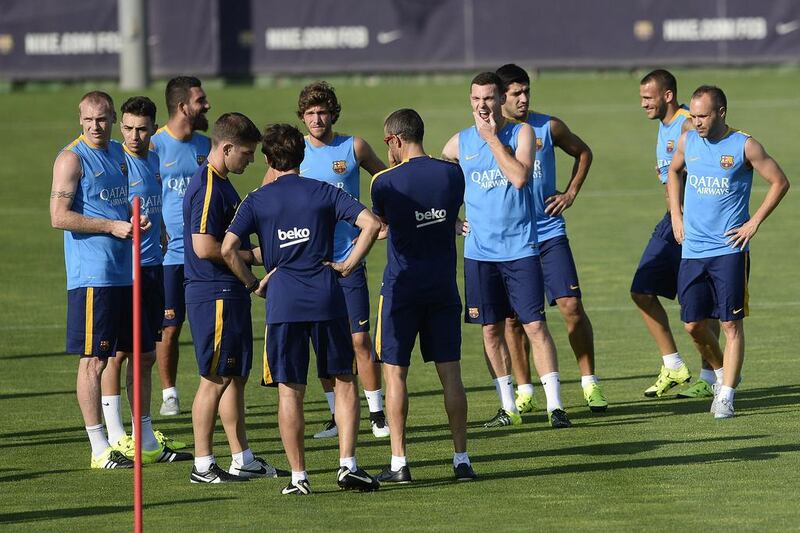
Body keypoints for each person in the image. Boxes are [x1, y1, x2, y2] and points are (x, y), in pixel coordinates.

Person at [223, 123, 382, 495]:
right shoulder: (324, 191)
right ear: (303, 155)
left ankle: (299, 478)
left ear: (267, 159)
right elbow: (371, 224)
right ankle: (347, 466)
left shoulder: (257, 199)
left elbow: (228, 248)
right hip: (328, 298)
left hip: (283, 303)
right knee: (344, 381)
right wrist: (346, 266)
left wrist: (252, 284)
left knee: (290, 391)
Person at [442, 72, 570, 429]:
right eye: (476, 99)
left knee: (534, 325)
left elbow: (519, 177)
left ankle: (555, 406)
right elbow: (443, 176)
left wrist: (492, 140)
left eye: (488, 98)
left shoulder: (521, 133)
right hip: (479, 253)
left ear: (500, 100)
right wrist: (452, 216)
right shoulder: (459, 143)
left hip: (520, 248)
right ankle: (507, 406)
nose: (482, 106)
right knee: (489, 330)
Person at [668, 85, 789, 418]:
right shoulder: (688, 139)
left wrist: (754, 223)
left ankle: (726, 395)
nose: (697, 121)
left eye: (703, 115)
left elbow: (779, 181)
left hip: (729, 250)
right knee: (692, 324)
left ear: (721, 112)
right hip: (692, 248)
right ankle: (723, 372)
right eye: (693, 115)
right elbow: (673, 172)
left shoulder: (744, 145)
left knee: (730, 324)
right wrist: (676, 214)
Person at [494, 64, 607, 413]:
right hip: (511, 239)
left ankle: (589, 383)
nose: (524, 98)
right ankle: (525, 389)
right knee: (514, 318)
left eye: (526, 91)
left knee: (571, 307)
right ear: (500, 97)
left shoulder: (548, 126)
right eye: (516, 93)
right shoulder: (488, 137)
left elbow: (583, 152)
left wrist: (570, 193)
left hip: (548, 232)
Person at [371, 109, 476, 483]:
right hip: (443, 287)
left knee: (396, 376)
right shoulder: (452, 174)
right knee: (452, 376)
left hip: (402, 290)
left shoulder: (383, 182)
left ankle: (400, 463)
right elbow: (449, 215)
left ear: (394, 140)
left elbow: (383, 224)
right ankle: (461, 459)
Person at [50, 91, 150, 469]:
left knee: (118, 355)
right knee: (92, 359)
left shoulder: (118, 157)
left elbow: (115, 206)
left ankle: (120, 437)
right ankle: (98, 448)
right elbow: (59, 216)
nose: (96, 126)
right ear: (80, 119)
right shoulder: (71, 158)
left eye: (103, 119)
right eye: (89, 119)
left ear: (113, 120)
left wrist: (133, 221)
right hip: (92, 276)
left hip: (122, 272)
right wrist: (112, 226)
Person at [184, 112, 284, 483]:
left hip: (229, 293)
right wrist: (252, 260)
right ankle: (203, 464)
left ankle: (242, 457)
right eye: (246, 152)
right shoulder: (209, 186)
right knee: (214, 377)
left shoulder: (223, 182)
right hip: (215, 294)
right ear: (225, 148)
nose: (250, 159)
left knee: (233, 377)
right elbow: (205, 245)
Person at [287, 81, 389, 439]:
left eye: (323, 112)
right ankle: (336, 416)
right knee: (322, 342)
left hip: (350, 258)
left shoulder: (353, 146)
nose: (317, 119)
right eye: (310, 113)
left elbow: (384, 177)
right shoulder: (293, 153)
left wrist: (381, 217)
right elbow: (270, 193)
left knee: (360, 340)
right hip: (309, 265)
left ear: (333, 113)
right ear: (302, 118)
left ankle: (377, 415)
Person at [99, 96, 192, 463]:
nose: (134, 135)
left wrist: (164, 230)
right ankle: (119, 434)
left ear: (154, 128)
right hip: (126, 270)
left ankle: (145, 434)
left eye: (141, 128)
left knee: (146, 355)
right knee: (118, 354)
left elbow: (155, 204)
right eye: (128, 128)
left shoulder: (153, 159)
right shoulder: (115, 163)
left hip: (154, 265)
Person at [633, 70, 722, 398]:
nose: (643, 104)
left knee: (702, 304)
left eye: (648, 98)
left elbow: (718, 155)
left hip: (693, 224)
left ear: (667, 95)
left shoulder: (687, 123)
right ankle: (673, 364)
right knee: (642, 290)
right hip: (673, 220)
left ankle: (711, 378)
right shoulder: (665, 125)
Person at [151, 76, 212, 416]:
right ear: (182, 106)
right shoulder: (155, 146)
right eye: (200, 100)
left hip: (204, 252)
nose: (206, 105)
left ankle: (213, 385)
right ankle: (169, 393)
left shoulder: (207, 146)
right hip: (169, 255)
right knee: (170, 328)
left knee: (206, 324)